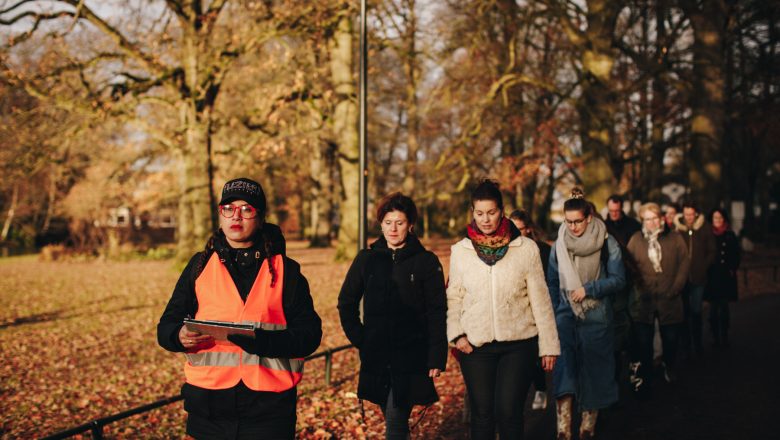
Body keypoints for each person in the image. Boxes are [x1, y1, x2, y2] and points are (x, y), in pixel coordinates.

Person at [157, 177, 322, 439]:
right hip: (208, 407)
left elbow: (310, 335)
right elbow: (166, 326)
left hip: (269, 411)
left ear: (260, 217)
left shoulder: (286, 271)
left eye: (247, 209)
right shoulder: (198, 266)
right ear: (220, 215)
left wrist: (264, 341)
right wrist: (178, 336)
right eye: (228, 209)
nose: (237, 216)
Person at [447, 180, 559, 440]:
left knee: (509, 412)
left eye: (492, 212)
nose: (486, 219)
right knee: (482, 414)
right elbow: (453, 298)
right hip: (475, 346)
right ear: (473, 213)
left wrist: (549, 344)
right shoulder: (460, 252)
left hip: (519, 343)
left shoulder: (526, 249)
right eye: (479, 213)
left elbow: (540, 299)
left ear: (502, 210)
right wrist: (457, 334)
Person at [337, 192, 447, 439]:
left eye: (399, 223)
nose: (393, 229)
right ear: (381, 224)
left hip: (411, 356)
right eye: (388, 223)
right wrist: (361, 337)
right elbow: (346, 302)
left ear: (410, 225)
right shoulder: (367, 259)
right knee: (393, 420)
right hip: (376, 356)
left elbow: (437, 311)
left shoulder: (426, 262)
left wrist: (436, 357)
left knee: (396, 422)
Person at [547, 189, 626, 440]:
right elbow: (551, 280)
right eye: (568, 221)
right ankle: (563, 429)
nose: (573, 226)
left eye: (577, 221)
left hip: (596, 314)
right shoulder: (559, 243)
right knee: (564, 369)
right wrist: (555, 308)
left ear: (589, 217)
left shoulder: (606, 242)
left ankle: (587, 428)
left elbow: (618, 280)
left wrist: (589, 289)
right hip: (565, 314)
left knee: (595, 370)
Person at [627, 203, 689, 393]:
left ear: (661, 218)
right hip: (644, 301)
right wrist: (637, 288)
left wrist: (676, 288)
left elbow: (684, 263)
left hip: (669, 298)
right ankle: (646, 375)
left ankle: (668, 365)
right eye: (647, 219)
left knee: (670, 339)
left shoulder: (675, 238)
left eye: (655, 218)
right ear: (642, 221)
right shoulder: (636, 240)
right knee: (644, 342)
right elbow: (628, 265)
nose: (652, 222)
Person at [509, 209, 551, 411]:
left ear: (529, 229)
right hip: (514, 310)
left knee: (536, 353)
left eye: (520, 229)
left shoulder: (543, 250)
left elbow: (551, 281)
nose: (515, 233)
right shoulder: (503, 251)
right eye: (511, 228)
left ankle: (541, 389)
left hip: (537, 308)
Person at [604, 194, 641, 386]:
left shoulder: (633, 226)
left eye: (617, 211)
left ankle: (635, 368)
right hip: (613, 282)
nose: (614, 214)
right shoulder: (603, 227)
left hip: (631, 277)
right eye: (611, 211)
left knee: (632, 324)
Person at [673, 201, 716, 357]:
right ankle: (686, 344)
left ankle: (697, 343)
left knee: (696, 311)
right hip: (682, 277)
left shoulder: (704, 228)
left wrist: (703, 266)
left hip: (698, 276)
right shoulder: (677, 229)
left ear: (696, 214)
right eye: (686, 214)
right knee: (683, 311)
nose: (688, 218)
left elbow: (712, 250)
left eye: (691, 214)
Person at [704, 208, 741, 347]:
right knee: (713, 309)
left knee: (724, 307)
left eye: (720, 218)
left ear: (724, 219)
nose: (718, 220)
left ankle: (724, 334)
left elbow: (736, 254)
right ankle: (715, 335)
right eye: (715, 218)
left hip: (726, 276)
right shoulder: (708, 235)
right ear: (711, 219)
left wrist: (733, 268)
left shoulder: (730, 235)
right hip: (712, 276)